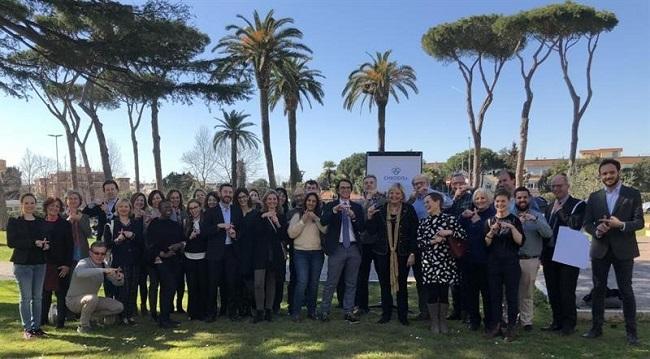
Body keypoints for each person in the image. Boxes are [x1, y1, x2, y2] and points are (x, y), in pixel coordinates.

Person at [583, 159, 645, 345]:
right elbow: (587, 223)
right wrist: (597, 230)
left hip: (624, 250)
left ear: (618, 173)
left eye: (611, 172)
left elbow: (639, 222)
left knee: (626, 290)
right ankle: (596, 328)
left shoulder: (632, 194)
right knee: (598, 290)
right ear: (600, 176)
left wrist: (621, 225)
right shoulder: (594, 197)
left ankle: (631, 333)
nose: (608, 176)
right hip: (600, 249)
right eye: (604, 173)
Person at [367, 183, 418, 325]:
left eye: (397, 193)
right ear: (387, 195)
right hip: (382, 253)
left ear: (402, 195)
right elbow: (371, 231)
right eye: (391, 193)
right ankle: (386, 314)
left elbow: (414, 233)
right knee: (384, 285)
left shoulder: (409, 210)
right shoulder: (381, 210)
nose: (394, 196)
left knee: (401, 284)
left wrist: (413, 253)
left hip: (402, 253)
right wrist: (370, 217)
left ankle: (403, 316)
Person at [541, 174, 586, 335]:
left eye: (559, 186)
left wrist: (560, 212)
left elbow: (575, 225)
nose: (556, 189)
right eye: (553, 186)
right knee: (553, 289)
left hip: (570, 251)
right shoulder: (549, 206)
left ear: (567, 186)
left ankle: (569, 324)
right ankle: (557, 321)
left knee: (567, 290)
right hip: (550, 252)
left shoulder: (578, 205)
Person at [416, 192, 467, 334]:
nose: (426, 205)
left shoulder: (450, 219)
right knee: (432, 293)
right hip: (429, 262)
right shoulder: (424, 222)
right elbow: (419, 243)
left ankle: (443, 321)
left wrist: (449, 232)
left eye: (428, 202)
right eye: (424, 203)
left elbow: (463, 235)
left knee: (443, 292)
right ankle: (434, 322)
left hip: (446, 262)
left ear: (437, 202)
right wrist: (433, 241)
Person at [319, 179, 365, 324]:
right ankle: (324, 311)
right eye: (342, 188)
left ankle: (348, 311)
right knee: (331, 281)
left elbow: (362, 228)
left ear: (351, 189)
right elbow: (323, 221)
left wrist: (354, 217)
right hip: (337, 248)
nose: (345, 190)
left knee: (351, 282)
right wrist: (333, 211)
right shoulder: (331, 205)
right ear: (338, 190)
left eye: (348, 188)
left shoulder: (357, 207)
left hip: (353, 248)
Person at [484, 189, 524, 342]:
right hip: (494, 264)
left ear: (509, 202)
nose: (500, 204)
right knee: (495, 296)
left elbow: (520, 241)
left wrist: (512, 228)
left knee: (511, 297)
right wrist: (492, 232)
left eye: (503, 201)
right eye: (497, 201)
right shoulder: (489, 221)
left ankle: (511, 327)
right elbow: (486, 243)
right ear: (494, 203)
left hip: (511, 264)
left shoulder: (515, 220)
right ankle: (496, 326)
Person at [7, 193, 48, 339]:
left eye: (32, 203)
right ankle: (28, 329)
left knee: (37, 297)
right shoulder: (14, 222)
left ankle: (36, 327)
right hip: (22, 264)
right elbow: (11, 242)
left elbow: (46, 239)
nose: (29, 206)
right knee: (26, 297)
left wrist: (45, 245)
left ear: (35, 204)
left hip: (39, 263)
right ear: (21, 205)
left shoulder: (41, 221)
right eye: (26, 203)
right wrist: (33, 243)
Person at [513, 187, 552, 332]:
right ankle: (508, 318)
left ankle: (526, 320)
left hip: (530, 259)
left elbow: (548, 233)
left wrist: (535, 220)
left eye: (525, 197)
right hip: (512, 259)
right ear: (515, 199)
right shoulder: (510, 215)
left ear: (529, 198)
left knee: (527, 292)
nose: (522, 200)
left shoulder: (537, 215)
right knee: (509, 291)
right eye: (519, 197)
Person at [202, 183, 243, 322]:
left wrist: (235, 234)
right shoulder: (210, 212)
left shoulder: (236, 210)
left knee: (231, 283)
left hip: (231, 251)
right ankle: (211, 313)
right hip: (215, 252)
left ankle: (232, 312)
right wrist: (218, 227)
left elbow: (242, 230)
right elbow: (204, 232)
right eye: (225, 192)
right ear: (219, 193)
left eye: (230, 192)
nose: (228, 195)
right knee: (213, 284)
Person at [66, 241, 124, 334]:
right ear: (90, 253)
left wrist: (119, 278)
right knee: (92, 298)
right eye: (96, 253)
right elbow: (80, 273)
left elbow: (117, 283)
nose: (99, 256)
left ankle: (92, 317)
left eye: (102, 254)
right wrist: (103, 270)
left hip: (92, 300)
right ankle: (83, 326)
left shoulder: (104, 265)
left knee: (118, 307)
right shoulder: (83, 262)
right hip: (74, 301)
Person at [458, 188, 495, 331]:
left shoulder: (493, 214)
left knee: (487, 293)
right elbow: (459, 229)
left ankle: (489, 321)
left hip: (486, 260)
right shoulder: (470, 214)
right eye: (477, 198)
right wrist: (462, 216)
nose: (479, 201)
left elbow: (489, 234)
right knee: (470, 292)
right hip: (469, 260)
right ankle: (474, 320)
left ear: (489, 200)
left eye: (483, 198)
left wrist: (479, 222)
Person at [104, 198, 144, 325]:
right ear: (117, 209)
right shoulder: (111, 224)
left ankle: (130, 314)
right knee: (123, 289)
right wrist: (118, 240)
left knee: (133, 289)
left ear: (130, 208)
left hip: (135, 261)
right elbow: (107, 244)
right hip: (120, 261)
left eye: (126, 206)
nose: (123, 209)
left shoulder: (136, 223)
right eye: (120, 206)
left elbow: (142, 242)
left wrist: (132, 235)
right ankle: (121, 316)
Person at [288, 192, 327, 321]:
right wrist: (303, 221)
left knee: (314, 283)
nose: (311, 203)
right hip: (301, 253)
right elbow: (291, 234)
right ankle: (296, 312)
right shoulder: (297, 214)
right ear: (305, 202)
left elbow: (325, 230)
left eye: (314, 201)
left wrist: (316, 218)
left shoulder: (320, 215)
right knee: (302, 282)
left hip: (317, 252)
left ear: (317, 203)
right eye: (309, 200)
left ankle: (312, 311)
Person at [147, 200, 185, 328]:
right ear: (159, 209)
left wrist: (178, 245)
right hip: (160, 261)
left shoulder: (175, 225)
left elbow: (182, 240)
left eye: (170, 207)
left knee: (171, 288)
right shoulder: (154, 224)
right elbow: (150, 243)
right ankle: (163, 319)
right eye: (165, 207)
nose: (168, 209)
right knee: (167, 287)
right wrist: (162, 254)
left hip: (174, 261)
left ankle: (166, 316)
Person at [251, 190, 288, 323]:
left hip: (275, 254)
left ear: (277, 202)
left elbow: (283, 235)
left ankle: (269, 310)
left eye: (274, 199)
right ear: (265, 201)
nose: (272, 201)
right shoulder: (258, 215)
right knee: (259, 283)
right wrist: (264, 217)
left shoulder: (282, 216)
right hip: (260, 253)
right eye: (269, 199)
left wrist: (277, 222)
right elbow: (255, 232)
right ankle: (259, 311)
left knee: (271, 282)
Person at [40, 197, 74, 329]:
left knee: (61, 294)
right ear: (46, 207)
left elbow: (70, 246)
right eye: (51, 206)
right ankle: (43, 320)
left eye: (57, 206)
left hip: (60, 264)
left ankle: (60, 323)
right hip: (44, 263)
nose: (54, 208)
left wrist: (67, 265)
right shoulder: (40, 223)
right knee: (44, 294)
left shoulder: (64, 224)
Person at [355, 175, 385, 315]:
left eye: (371, 182)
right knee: (362, 276)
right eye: (366, 183)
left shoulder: (383, 200)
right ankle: (362, 306)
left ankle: (386, 305)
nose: (368, 185)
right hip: (364, 243)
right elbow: (362, 218)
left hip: (379, 243)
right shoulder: (360, 203)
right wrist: (367, 201)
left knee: (383, 275)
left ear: (376, 184)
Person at [446, 172, 474, 322]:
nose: (458, 186)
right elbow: (446, 216)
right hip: (451, 244)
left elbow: (485, 199)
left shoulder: (472, 197)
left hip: (467, 243)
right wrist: (455, 198)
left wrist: (472, 188)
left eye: (460, 183)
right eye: (455, 183)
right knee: (454, 280)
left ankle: (467, 312)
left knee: (467, 280)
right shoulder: (449, 199)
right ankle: (456, 310)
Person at [234, 188, 259, 318]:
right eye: (239, 198)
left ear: (248, 197)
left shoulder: (255, 214)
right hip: (237, 252)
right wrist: (234, 235)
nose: (242, 199)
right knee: (239, 282)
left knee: (250, 282)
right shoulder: (235, 214)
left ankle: (252, 307)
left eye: (244, 196)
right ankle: (242, 308)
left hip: (251, 252)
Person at [183, 199, 208, 321]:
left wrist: (201, 233)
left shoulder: (206, 221)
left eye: (195, 207)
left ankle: (203, 312)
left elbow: (209, 237)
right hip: (189, 257)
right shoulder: (186, 222)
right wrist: (189, 237)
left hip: (203, 257)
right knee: (192, 286)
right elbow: (182, 241)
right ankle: (192, 313)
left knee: (202, 285)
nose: (194, 210)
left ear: (200, 207)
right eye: (191, 208)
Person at [285, 187, 306, 316]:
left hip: (311, 249)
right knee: (294, 278)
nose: (299, 198)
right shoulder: (290, 213)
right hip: (295, 250)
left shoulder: (313, 210)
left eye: (301, 195)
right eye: (296, 196)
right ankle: (291, 306)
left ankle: (308, 305)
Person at [144, 190, 164, 321]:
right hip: (151, 254)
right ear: (151, 201)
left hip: (166, 254)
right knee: (154, 284)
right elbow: (145, 235)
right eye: (154, 198)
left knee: (165, 284)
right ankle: (153, 312)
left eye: (159, 198)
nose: (156, 200)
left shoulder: (168, 212)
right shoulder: (147, 214)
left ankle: (165, 309)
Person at [130, 192, 150, 316]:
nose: (140, 202)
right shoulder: (129, 215)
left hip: (144, 252)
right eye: (137, 200)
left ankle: (143, 305)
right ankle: (133, 305)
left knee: (143, 281)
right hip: (132, 252)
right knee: (133, 281)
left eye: (142, 200)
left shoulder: (147, 216)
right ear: (133, 201)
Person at [273, 187, 290, 314]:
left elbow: (286, 234)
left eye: (283, 195)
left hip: (282, 250)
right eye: (278, 195)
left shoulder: (287, 213)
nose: (280, 198)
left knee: (280, 279)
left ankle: (276, 305)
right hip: (270, 250)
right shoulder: (265, 212)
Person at [65, 191, 92, 263]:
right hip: (67, 248)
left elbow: (88, 233)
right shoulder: (62, 216)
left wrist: (79, 220)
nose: (73, 200)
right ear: (66, 201)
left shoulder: (84, 216)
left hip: (82, 248)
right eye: (70, 198)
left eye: (75, 198)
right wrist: (69, 221)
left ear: (80, 201)